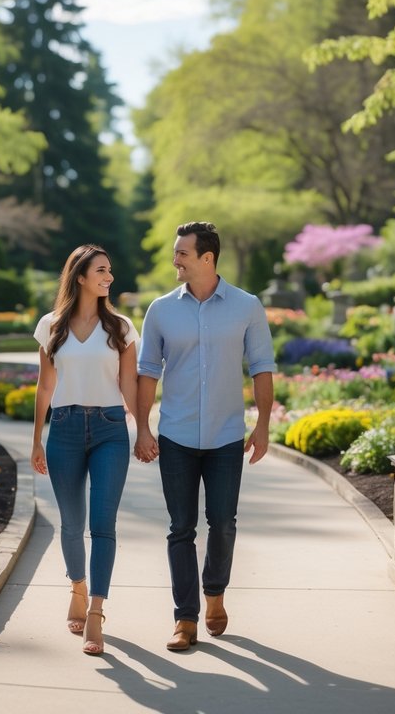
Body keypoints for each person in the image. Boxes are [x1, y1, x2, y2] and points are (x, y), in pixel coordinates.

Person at [134, 221, 275, 651]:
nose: (174, 259)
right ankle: (185, 619)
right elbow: (147, 373)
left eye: (182, 253)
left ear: (207, 259)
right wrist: (141, 427)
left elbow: (262, 367)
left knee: (224, 523)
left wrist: (264, 424)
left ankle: (214, 594)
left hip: (227, 436)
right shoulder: (160, 309)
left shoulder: (247, 306)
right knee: (180, 528)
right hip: (175, 435)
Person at [32, 244, 139, 656]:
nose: (109, 277)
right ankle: (77, 585)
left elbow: (130, 384)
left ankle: (96, 611)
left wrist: (143, 429)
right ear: (79, 276)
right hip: (65, 430)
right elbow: (45, 386)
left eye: (110, 270)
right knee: (72, 523)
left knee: (103, 523)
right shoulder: (51, 326)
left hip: (111, 429)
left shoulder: (122, 327)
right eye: (101, 270)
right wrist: (36, 440)